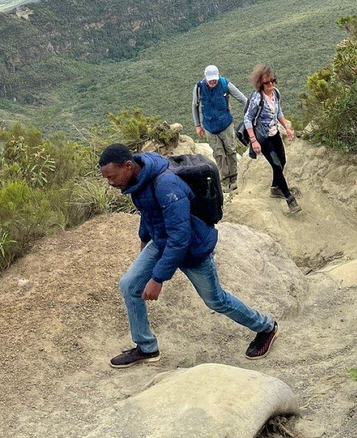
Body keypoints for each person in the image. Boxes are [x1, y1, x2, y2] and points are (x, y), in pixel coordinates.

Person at [98, 143, 279, 368]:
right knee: (129, 284)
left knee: (216, 300)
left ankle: (266, 327)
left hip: (192, 247)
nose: (111, 183)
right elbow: (148, 212)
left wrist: (158, 278)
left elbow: (180, 238)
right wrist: (144, 240)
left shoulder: (166, 185)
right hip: (163, 240)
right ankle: (146, 347)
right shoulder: (138, 178)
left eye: (112, 177)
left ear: (127, 165)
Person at [244, 64, 301, 214]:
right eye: (267, 83)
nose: (271, 84)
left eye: (273, 81)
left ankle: (275, 188)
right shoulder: (257, 99)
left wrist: (287, 127)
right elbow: (247, 119)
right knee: (276, 165)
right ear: (260, 84)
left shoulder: (276, 93)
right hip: (263, 138)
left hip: (274, 133)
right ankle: (289, 198)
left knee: (282, 161)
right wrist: (254, 140)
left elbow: (279, 112)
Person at [192, 65, 247, 193]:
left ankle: (235, 178)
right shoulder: (199, 88)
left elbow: (243, 99)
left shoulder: (224, 84)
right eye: (210, 79)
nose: (213, 82)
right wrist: (197, 125)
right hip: (209, 127)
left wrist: (247, 119)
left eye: (214, 79)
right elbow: (194, 106)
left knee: (231, 151)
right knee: (218, 154)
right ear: (205, 77)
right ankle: (225, 181)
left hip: (226, 125)